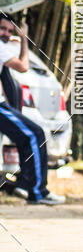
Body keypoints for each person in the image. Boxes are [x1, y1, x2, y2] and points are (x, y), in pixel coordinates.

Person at [0, 13, 65, 205]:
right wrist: (24, 39)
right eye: (3, 28)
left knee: (28, 136)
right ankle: (37, 192)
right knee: (34, 134)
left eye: (10, 31)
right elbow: (23, 67)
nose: (6, 33)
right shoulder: (1, 48)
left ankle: (25, 185)